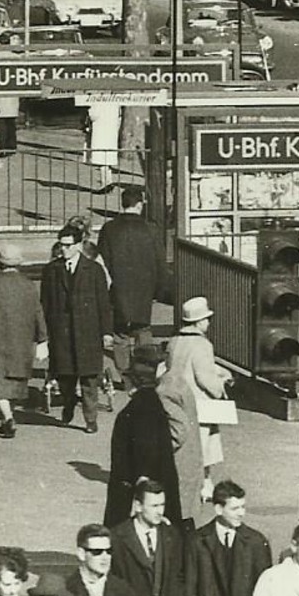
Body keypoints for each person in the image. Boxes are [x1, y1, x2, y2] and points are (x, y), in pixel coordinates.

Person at [158, 296, 234, 513]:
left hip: (175, 399)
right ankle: (203, 484)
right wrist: (220, 385)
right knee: (203, 445)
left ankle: (194, 482)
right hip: (198, 402)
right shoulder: (202, 344)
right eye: (207, 319)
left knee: (183, 442)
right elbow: (204, 376)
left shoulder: (175, 341)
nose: (208, 323)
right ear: (199, 322)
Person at [41, 222, 114, 433]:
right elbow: (45, 304)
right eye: (61, 245)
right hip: (61, 333)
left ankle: (91, 420)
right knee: (65, 377)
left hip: (88, 333)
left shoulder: (94, 270)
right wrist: (44, 335)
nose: (64, 249)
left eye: (68, 245)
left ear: (79, 245)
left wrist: (106, 332)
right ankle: (69, 403)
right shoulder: (51, 270)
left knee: (90, 378)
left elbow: (104, 304)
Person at [0, 243, 47, 439]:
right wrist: (42, 337)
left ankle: (7, 417)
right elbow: (38, 312)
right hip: (22, 339)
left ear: (0, 263)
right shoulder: (28, 284)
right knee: (16, 381)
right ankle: (8, 416)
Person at [105, 345, 182, 524]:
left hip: (136, 492)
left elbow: (144, 452)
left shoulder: (138, 408)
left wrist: (139, 494)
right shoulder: (152, 403)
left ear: (133, 381)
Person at [97, 187, 162, 384]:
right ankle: (145, 374)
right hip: (144, 288)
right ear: (140, 204)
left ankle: (125, 377)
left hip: (118, 287)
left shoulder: (109, 229)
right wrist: (159, 288)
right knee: (143, 329)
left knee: (120, 333)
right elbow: (159, 261)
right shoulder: (150, 229)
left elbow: (102, 261)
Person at [84, 99, 120, 193]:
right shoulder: (115, 101)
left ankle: (105, 183)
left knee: (101, 158)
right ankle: (109, 180)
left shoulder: (98, 100)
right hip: (111, 130)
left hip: (100, 130)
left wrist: (88, 111)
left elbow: (93, 115)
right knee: (108, 158)